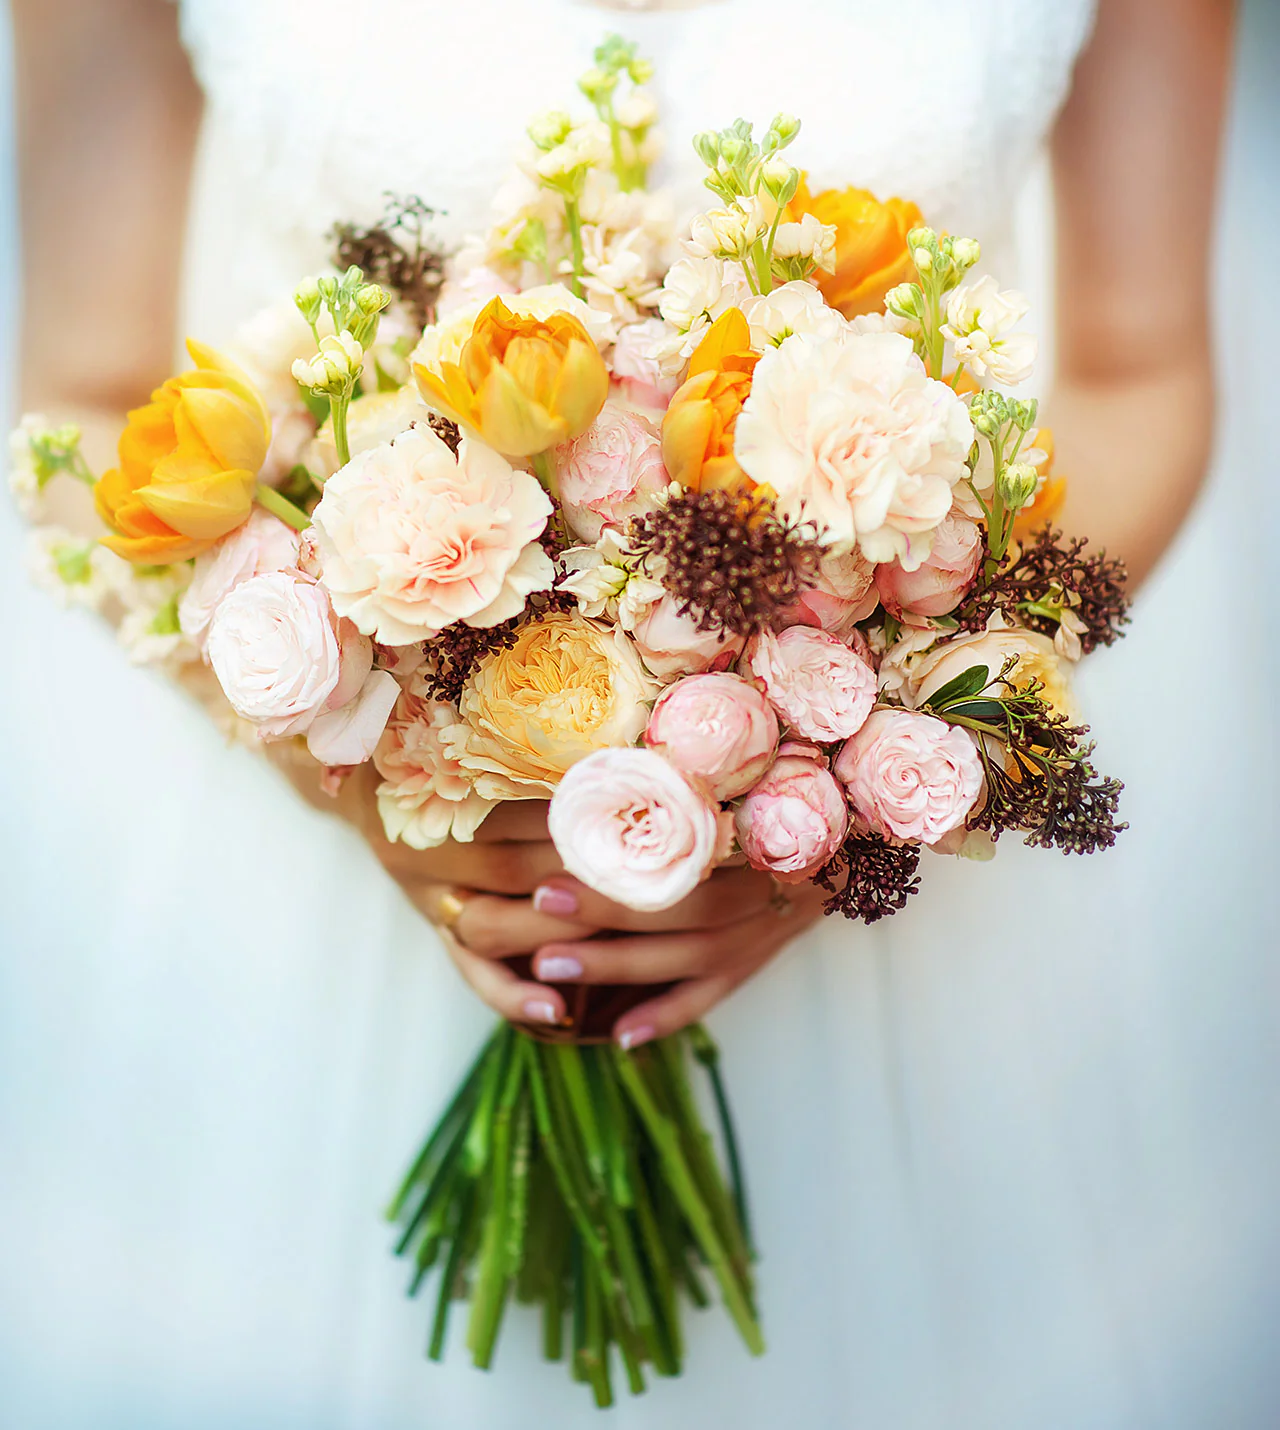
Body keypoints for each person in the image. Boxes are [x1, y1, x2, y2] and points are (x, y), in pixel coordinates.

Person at [6, 1, 1238, 1426]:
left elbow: (1137, 368)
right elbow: (81, 396)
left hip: (883, 924)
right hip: (326, 901)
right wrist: (363, 754)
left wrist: (836, 782)